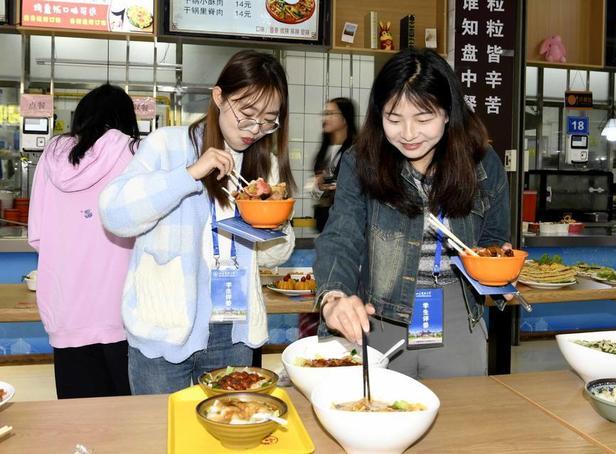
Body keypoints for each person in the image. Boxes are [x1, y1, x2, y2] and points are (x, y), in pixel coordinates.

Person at [99, 50, 296, 394]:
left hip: (232, 331)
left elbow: (274, 255)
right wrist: (189, 175)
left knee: (228, 434)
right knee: (160, 436)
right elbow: (114, 214)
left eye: (268, 120)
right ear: (219, 97)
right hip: (163, 327)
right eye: (247, 113)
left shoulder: (266, 165)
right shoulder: (167, 145)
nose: (255, 128)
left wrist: (269, 227)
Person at [313, 48, 511, 379]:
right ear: (379, 115)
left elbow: (493, 237)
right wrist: (334, 296)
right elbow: (341, 236)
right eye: (393, 118)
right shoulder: (361, 163)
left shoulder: (483, 162)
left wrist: (497, 266)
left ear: (448, 113)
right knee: (376, 421)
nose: (408, 133)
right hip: (378, 314)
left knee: (461, 422)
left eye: (423, 118)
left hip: (457, 314)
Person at [28, 84, 139, 398]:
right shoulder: (135, 154)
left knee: (80, 420)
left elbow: (37, 235)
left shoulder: (50, 159)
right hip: (123, 313)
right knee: (131, 421)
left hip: (66, 311)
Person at [312, 97, 357, 232]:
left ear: (345, 118)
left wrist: (342, 186)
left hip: (349, 222)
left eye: (331, 114)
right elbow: (315, 193)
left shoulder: (357, 150)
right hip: (326, 222)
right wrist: (318, 186)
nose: (325, 119)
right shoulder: (324, 150)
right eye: (325, 114)